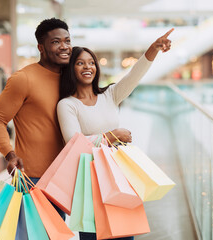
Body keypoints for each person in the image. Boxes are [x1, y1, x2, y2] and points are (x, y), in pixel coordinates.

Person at [57, 28, 174, 240]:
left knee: (124, 233)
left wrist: (154, 48)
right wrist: (111, 136)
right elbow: (73, 143)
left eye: (91, 62)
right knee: (95, 234)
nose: (88, 67)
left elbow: (135, 75)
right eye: (80, 63)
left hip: (119, 177)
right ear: (71, 69)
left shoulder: (110, 95)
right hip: (90, 182)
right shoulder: (67, 105)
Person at [0, 18, 72, 220]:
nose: (64, 47)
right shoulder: (23, 79)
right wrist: (9, 154)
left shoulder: (72, 78)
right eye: (56, 42)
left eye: (67, 41)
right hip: (32, 178)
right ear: (40, 47)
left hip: (64, 177)